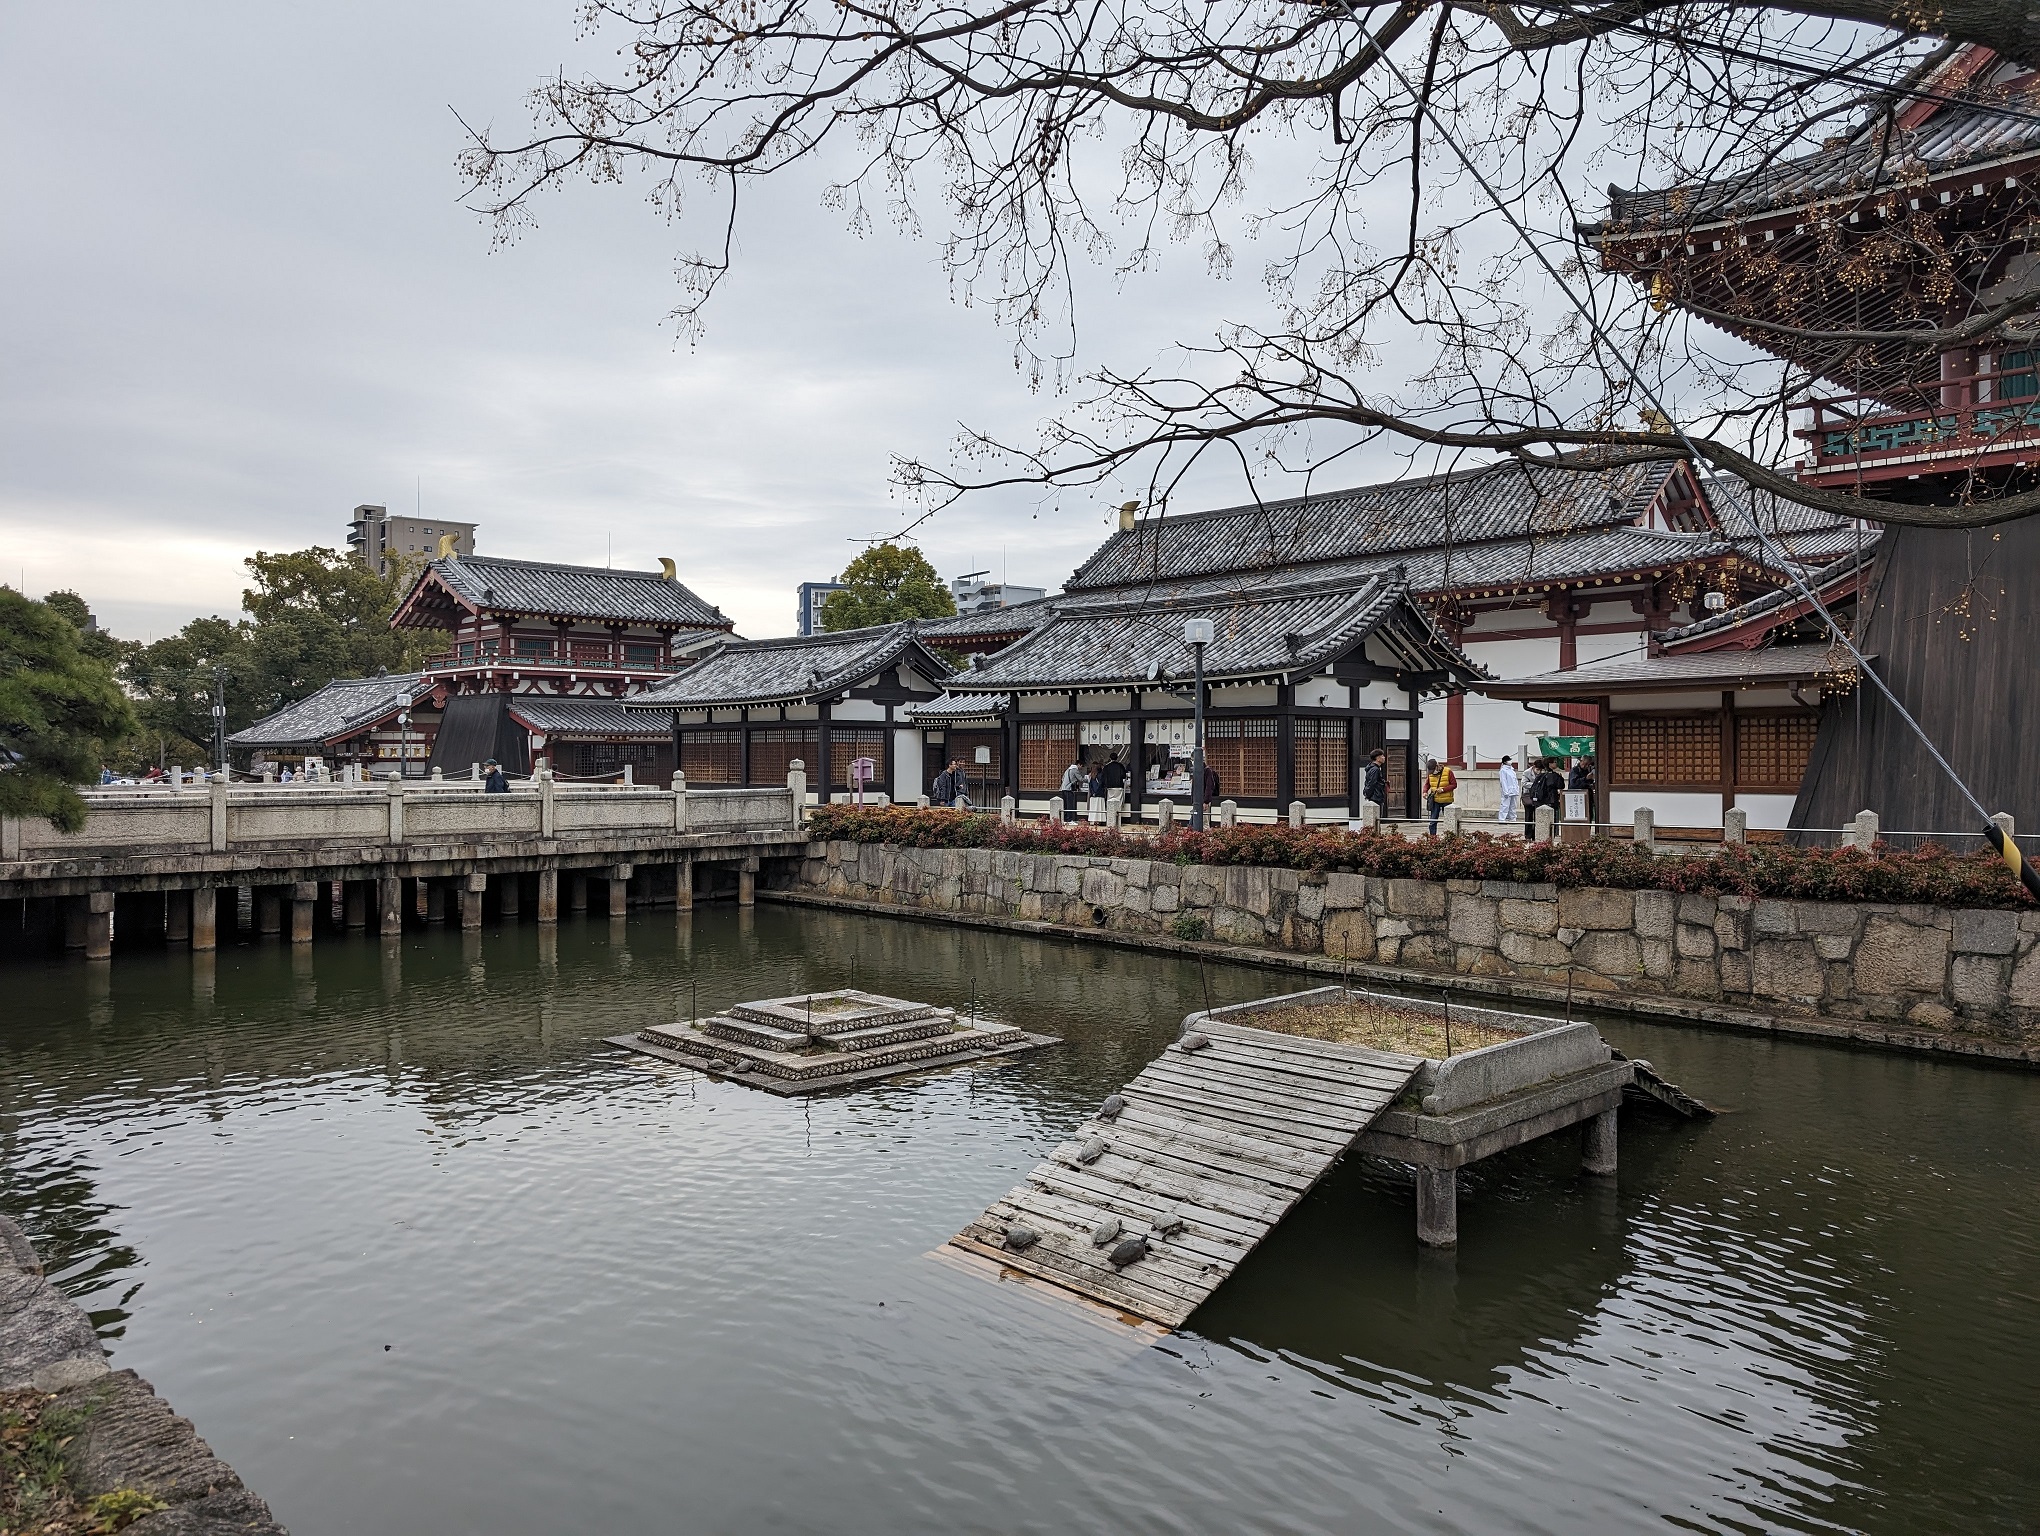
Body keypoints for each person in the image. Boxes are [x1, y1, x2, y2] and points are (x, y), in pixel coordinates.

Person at [1424, 756, 1457, 836]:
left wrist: (1443, 790)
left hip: (1447, 800)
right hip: (1435, 800)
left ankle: (1450, 838)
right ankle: (1433, 838)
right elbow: (1427, 784)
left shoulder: (1448, 771)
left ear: (1437, 766)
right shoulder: (1430, 774)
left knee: (1449, 821)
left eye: (1433, 770)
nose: (1432, 772)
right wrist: (1424, 792)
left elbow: (1454, 785)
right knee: (1432, 821)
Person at [1362, 748, 1388, 817]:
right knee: (1376, 817)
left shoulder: (1371, 768)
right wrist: (1368, 794)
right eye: (1382, 756)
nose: (1384, 757)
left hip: (1374, 795)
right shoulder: (1375, 769)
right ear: (1378, 758)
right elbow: (1372, 783)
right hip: (1376, 796)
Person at [1497, 754, 1520, 826]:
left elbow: (1515, 781)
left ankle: (1512, 818)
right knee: (1505, 805)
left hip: (1513, 790)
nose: (1510, 761)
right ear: (1505, 762)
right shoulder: (1503, 770)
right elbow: (1503, 781)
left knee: (1513, 805)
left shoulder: (1512, 770)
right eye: (1508, 760)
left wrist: (1517, 789)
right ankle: (1502, 819)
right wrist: (1505, 791)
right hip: (1507, 790)